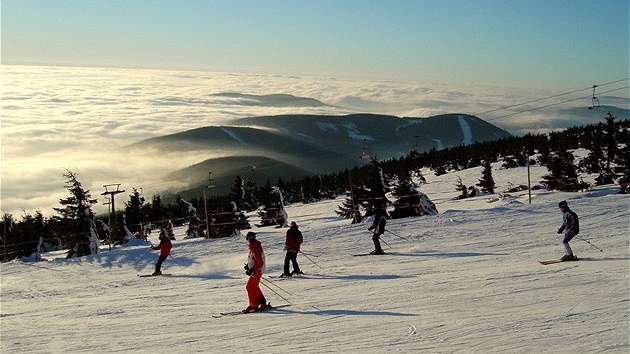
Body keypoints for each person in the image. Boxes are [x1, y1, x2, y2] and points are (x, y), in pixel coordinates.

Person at [243, 232, 268, 313]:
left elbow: (259, 263)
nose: (247, 241)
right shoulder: (254, 246)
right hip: (257, 270)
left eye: (247, 239)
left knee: (249, 286)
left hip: (257, 270)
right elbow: (254, 259)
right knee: (254, 286)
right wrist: (248, 266)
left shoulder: (255, 247)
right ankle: (262, 302)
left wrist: (252, 270)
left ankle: (254, 305)